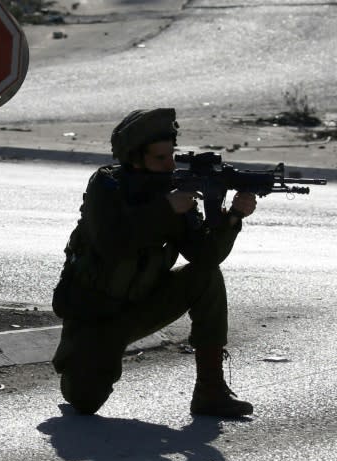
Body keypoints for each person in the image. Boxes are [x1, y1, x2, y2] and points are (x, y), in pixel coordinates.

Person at [52, 108, 257, 418]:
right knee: (84, 401)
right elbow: (112, 245)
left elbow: (205, 256)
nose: (170, 165)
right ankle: (77, 355)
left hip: (141, 306)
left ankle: (210, 391)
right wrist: (165, 209)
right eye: (160, 158)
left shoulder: (173, 192)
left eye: (171, 156)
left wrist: (233, 218)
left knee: (207, 276)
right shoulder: (106, 187)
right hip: (95, 314)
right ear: (135, 159)